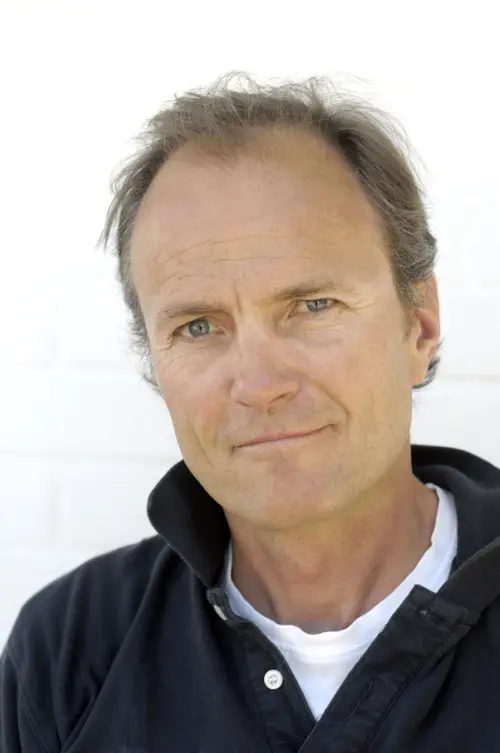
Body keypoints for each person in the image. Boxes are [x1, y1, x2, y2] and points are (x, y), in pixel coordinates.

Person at [2, 72, 500, 753]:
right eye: (198, 327)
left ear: (419, 324)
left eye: (313, 305)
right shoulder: (68, 649)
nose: (260, 384)